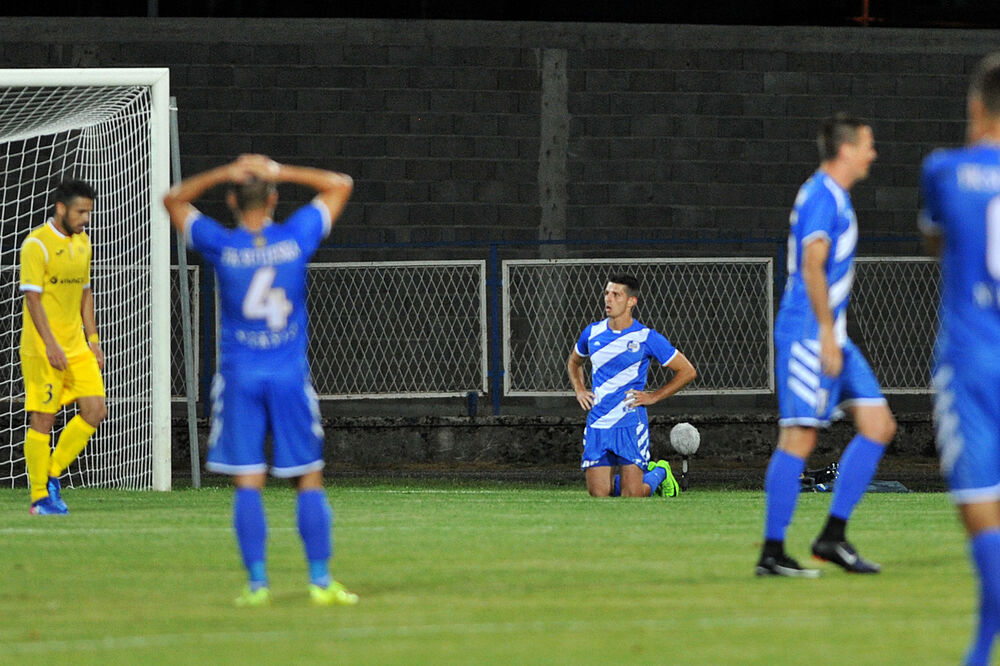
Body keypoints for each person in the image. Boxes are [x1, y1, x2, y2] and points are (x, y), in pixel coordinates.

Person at [162, 154, 356, 608]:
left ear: (230, 199)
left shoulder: (221, 245)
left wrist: (222, 171)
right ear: (272, 199)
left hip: (239, 377)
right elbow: (339, 182)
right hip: (288, 376)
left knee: (248, 480)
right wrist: (281, 170)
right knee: (308, 477)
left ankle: (257, 586)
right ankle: (321, 580)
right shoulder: (295, 238)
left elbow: (172, 199)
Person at [756, 114, 896, 578]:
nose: (873, 154)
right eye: (868, 144)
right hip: (808, 333)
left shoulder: (834, 196)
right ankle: (772, 553)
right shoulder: (821, 195)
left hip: (830, 334)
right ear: (847, 149)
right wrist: (823, 332)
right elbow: (812, 266)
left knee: (878, 425)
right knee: (800, 436)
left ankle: (832, 537)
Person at [920, 52, 1000, 666]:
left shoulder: (944, 170)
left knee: (982, 516)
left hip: (972, 362)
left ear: (975, 107)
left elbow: (935, 239)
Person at [19, 180, 107, 515]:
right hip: (42, 348)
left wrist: (93, 341)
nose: (86, 218)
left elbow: (85, 294)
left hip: (76, 347)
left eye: (89, 212)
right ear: (61, 209)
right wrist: (52, 345)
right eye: (81, 212)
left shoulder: (83, 243)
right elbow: (33, 299)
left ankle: (51, 474)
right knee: (44, 417)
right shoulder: (36, 245)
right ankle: (40, 498)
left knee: (95, 410)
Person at [567, 274, 697, 498]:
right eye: (607, 293)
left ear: (631, 302)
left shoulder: (646, 337)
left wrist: (654, 397)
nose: (608, 299)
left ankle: (659, 472)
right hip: (598, 422)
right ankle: (624, 479)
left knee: (633, 496)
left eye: (616, 294)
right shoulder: (592, 333)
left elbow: (687, 371)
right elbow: (574, 361)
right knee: (599, 495)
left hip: (630, 422)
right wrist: (579, 388)